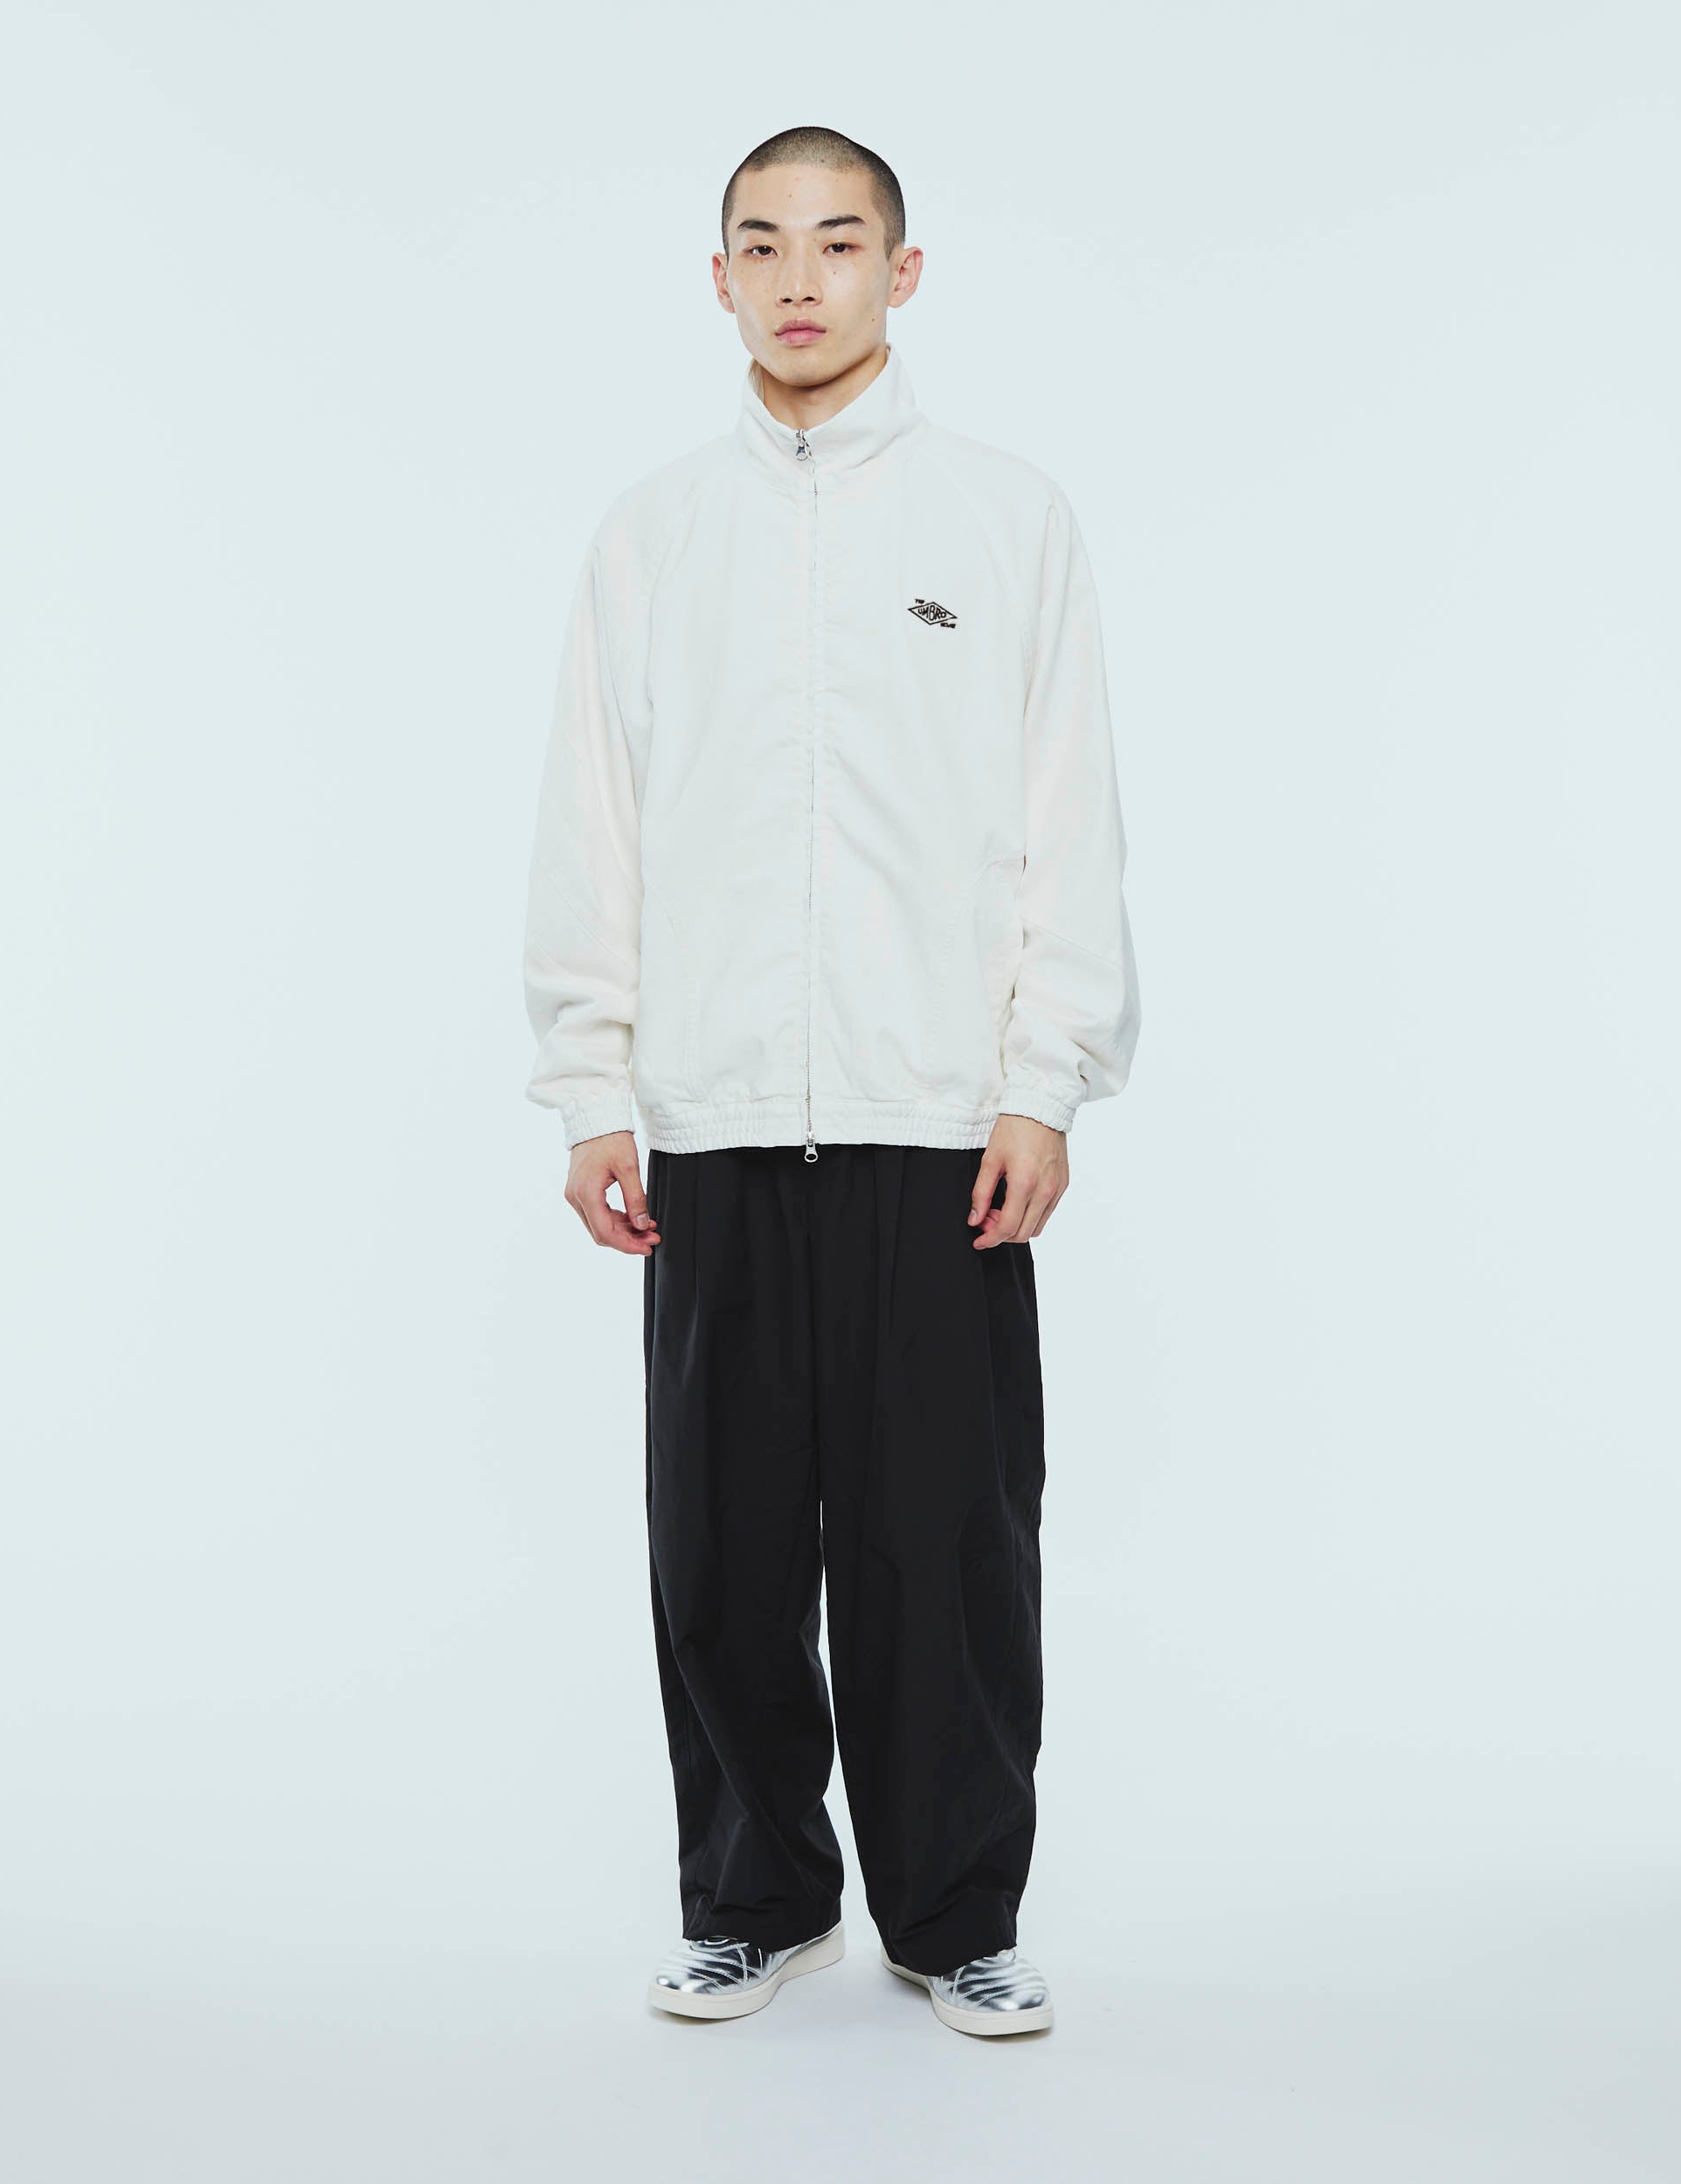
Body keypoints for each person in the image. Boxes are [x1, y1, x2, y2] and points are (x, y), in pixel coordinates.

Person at [522, 125, 1141, 2040]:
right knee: (718, 1542)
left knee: (944, 1542)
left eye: (839, 242)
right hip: (711, 1120)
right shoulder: (651, 536)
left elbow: (1066, 816)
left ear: (903, 270)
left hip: (938, 1124)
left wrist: (1042, 1079)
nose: (801, 278)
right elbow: (594, 819)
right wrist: (592, 1080)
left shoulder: (1006, 520)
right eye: (764, 245)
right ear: (717, 279)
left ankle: (955, 1914)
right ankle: (753, 1894)